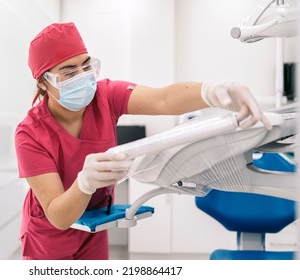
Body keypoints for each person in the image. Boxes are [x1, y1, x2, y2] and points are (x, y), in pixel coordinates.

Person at [14, 22, 271, 260]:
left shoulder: (104, 96)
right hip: (48, 238)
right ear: (43, 82)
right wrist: (84, 183)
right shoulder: (30, 134)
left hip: (94, 226)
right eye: (68, 72)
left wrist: (211, 91)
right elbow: (58, 215)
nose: (83, 76)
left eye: (86, 65)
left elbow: (164, 99)